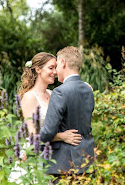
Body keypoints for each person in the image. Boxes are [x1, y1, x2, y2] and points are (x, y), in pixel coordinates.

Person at [9, 52, 82, 183]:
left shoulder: (52, 93)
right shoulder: (29, 97)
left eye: (56, 67)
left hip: (53, 154)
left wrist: (83, 87)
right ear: (38, 69)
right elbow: (33, 135)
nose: (55, 71)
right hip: (35, 154)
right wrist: (61, 136)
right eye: (51, 68)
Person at [40, 46, 95, 183]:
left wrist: (32, 138)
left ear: (63, 63)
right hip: (87, 161)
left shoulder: (60, 92)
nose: (56, 71)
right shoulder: (88, 90)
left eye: (57, 65)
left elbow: (48, 132)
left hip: (63, 165)